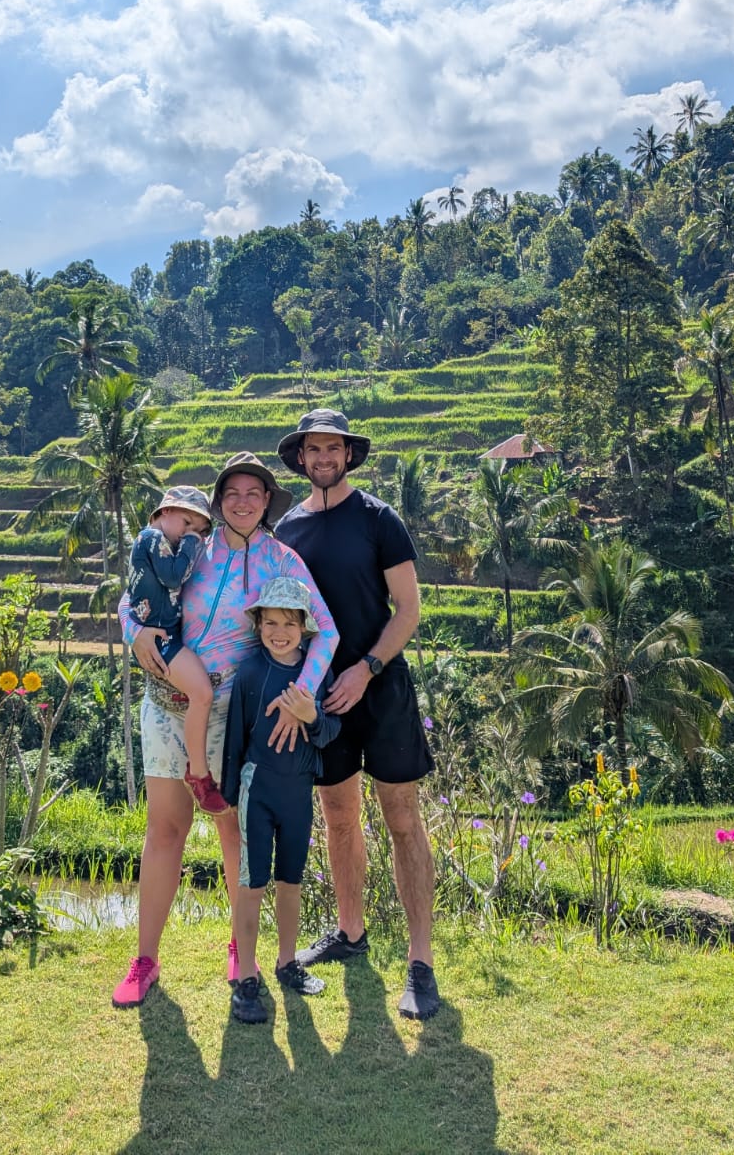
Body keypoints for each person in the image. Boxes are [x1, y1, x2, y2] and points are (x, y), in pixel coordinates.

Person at [112, 453, 338, 1009]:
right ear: (218, 501)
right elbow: (133, 593)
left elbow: (326, 632)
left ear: (267, 503)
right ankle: (145, 960)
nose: (243, 501)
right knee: (165, 830)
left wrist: (300, 698)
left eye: (254, 493)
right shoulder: (193, 547)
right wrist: (133, 631)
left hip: (231, 714)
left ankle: (243, 949)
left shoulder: (282, 561)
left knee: (233, 832)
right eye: (232, 492)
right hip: (166, 702)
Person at [275, 408, 441, 1021]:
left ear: (348, 455)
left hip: (381, 685)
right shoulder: (287, 529)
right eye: (313, 449)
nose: (323, 458)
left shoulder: (379, 519)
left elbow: (408, 609)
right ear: (301, 458)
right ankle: (350, 931)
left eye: (333, 448)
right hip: (320, 697)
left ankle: (420, 961)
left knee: (402, 818)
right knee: (339, 817)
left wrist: (366, 668)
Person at [220, 575, 340, 1024]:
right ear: (258, 625)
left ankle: (287, 962)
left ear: (305, 627)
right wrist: (229, 795)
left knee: (292, 880)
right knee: (251, 884)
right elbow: (235, 736)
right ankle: (246, 977)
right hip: (259, 791)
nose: (279, 632)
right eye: (270, 622)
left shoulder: (315, 673)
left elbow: (330, 732)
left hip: (298, 792)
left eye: (289, 623)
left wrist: (311, 716)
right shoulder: (251, 673)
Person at [125, 485, 225, 813]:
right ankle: (199, 774)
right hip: (162, 639)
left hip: (166, 635)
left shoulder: (162, 544)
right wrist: (194, 543)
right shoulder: (152, 538)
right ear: (165, 511)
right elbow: (173, 578)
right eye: (187, 523)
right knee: (202, 693)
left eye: (200, 530)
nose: (190, 533)